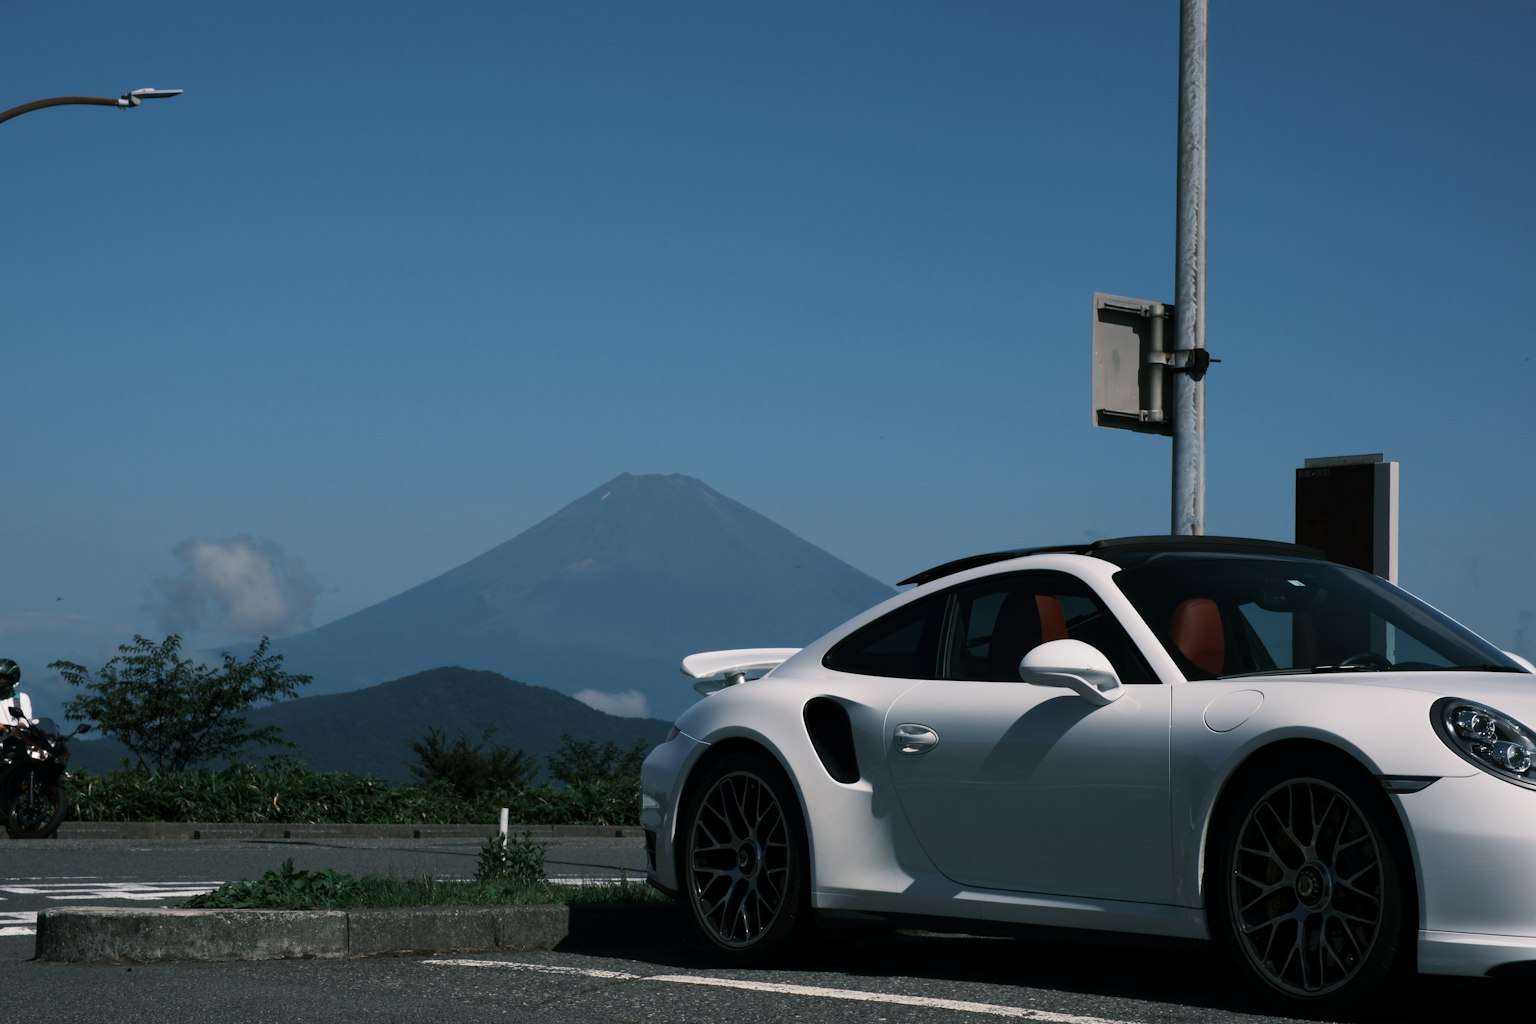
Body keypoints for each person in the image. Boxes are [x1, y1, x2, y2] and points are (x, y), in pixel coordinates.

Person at [0, 658, 33, 729]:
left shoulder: (21, 698)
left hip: (16, 738)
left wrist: (21, 726)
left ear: (12, 679)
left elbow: (26, 720)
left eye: (2, 678)